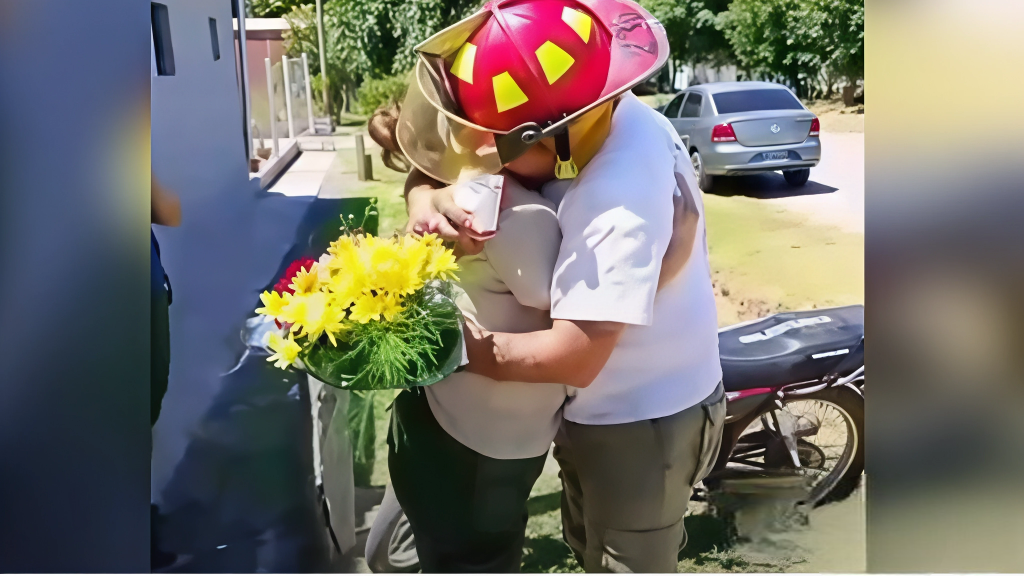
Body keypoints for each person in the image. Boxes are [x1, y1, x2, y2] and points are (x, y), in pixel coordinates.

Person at [396, 0, 725, 571]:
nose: (480, 157)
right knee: (584, 543)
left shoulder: (617, 197)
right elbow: (439, 169)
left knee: (626, 560)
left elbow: (574, 356)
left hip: (645, 416)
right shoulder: (605, 111)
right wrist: (425, 201)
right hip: (589, 409)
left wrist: (434, 345)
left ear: (554, 138)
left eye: (497, 146)